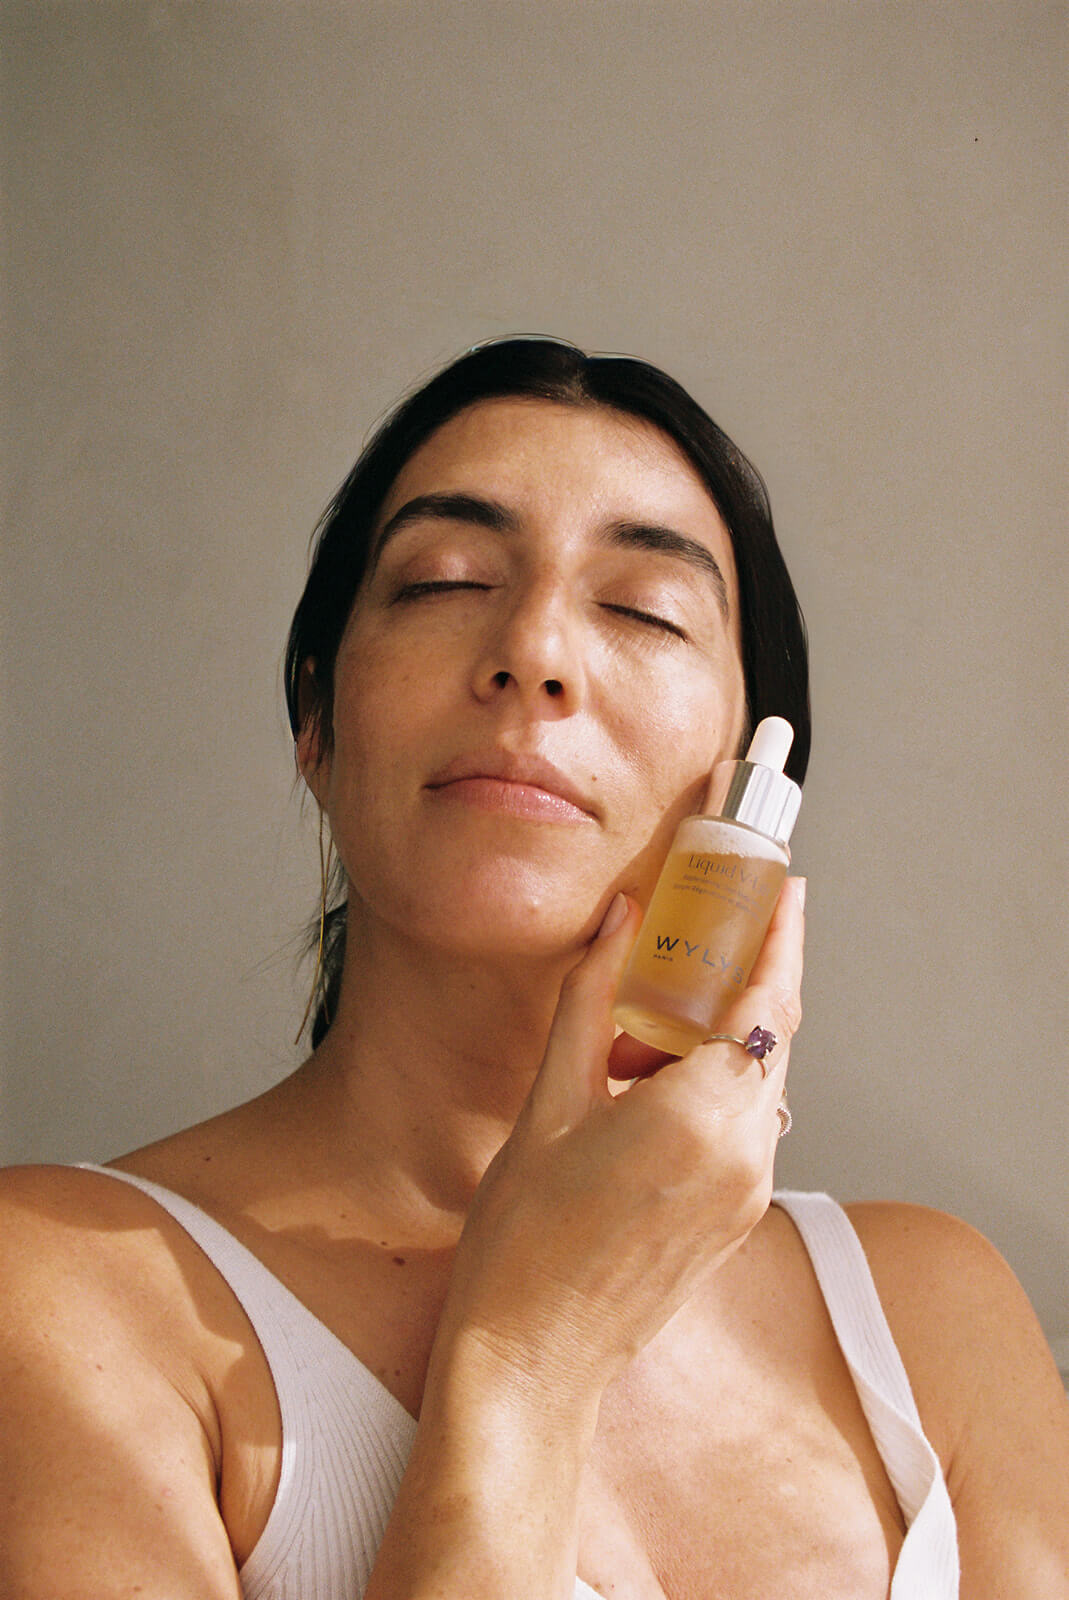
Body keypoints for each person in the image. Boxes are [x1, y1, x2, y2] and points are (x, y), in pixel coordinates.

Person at [1, 338, 1066, 1600]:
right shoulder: (63, 1291)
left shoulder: (930, 1308)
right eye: (444, 581)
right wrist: (526, 1348)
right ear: (315, 719)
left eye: (643, 609)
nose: (534, 651)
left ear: (752, 790)